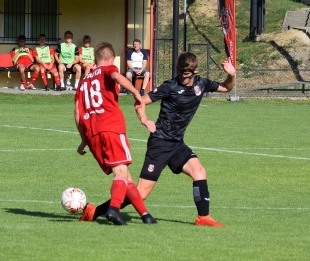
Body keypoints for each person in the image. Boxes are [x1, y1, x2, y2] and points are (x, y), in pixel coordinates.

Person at [80, 52, 236, 227]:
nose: (182, 78)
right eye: (179, 73)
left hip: (177, 143)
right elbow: (140, 102)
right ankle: (95, 211)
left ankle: (203, 217)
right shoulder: (169, 86)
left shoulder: (202, 84)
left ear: (195, 71)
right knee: (140, 193)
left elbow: (226, 88)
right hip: (160, 143)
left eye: (186, 74)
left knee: (199, 171)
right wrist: (145, 119)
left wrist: (230, 74)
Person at [75, 42, 157, 226]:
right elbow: (116, 76)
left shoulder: (82, 84)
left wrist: (83, 140)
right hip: (111, 126)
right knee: (121, 172)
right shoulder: (107, 70)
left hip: (93, 134)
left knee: (126, 176)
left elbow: (77, 114)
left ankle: (145, 215)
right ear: (111, 59)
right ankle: (113, 209)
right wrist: (137, 92)